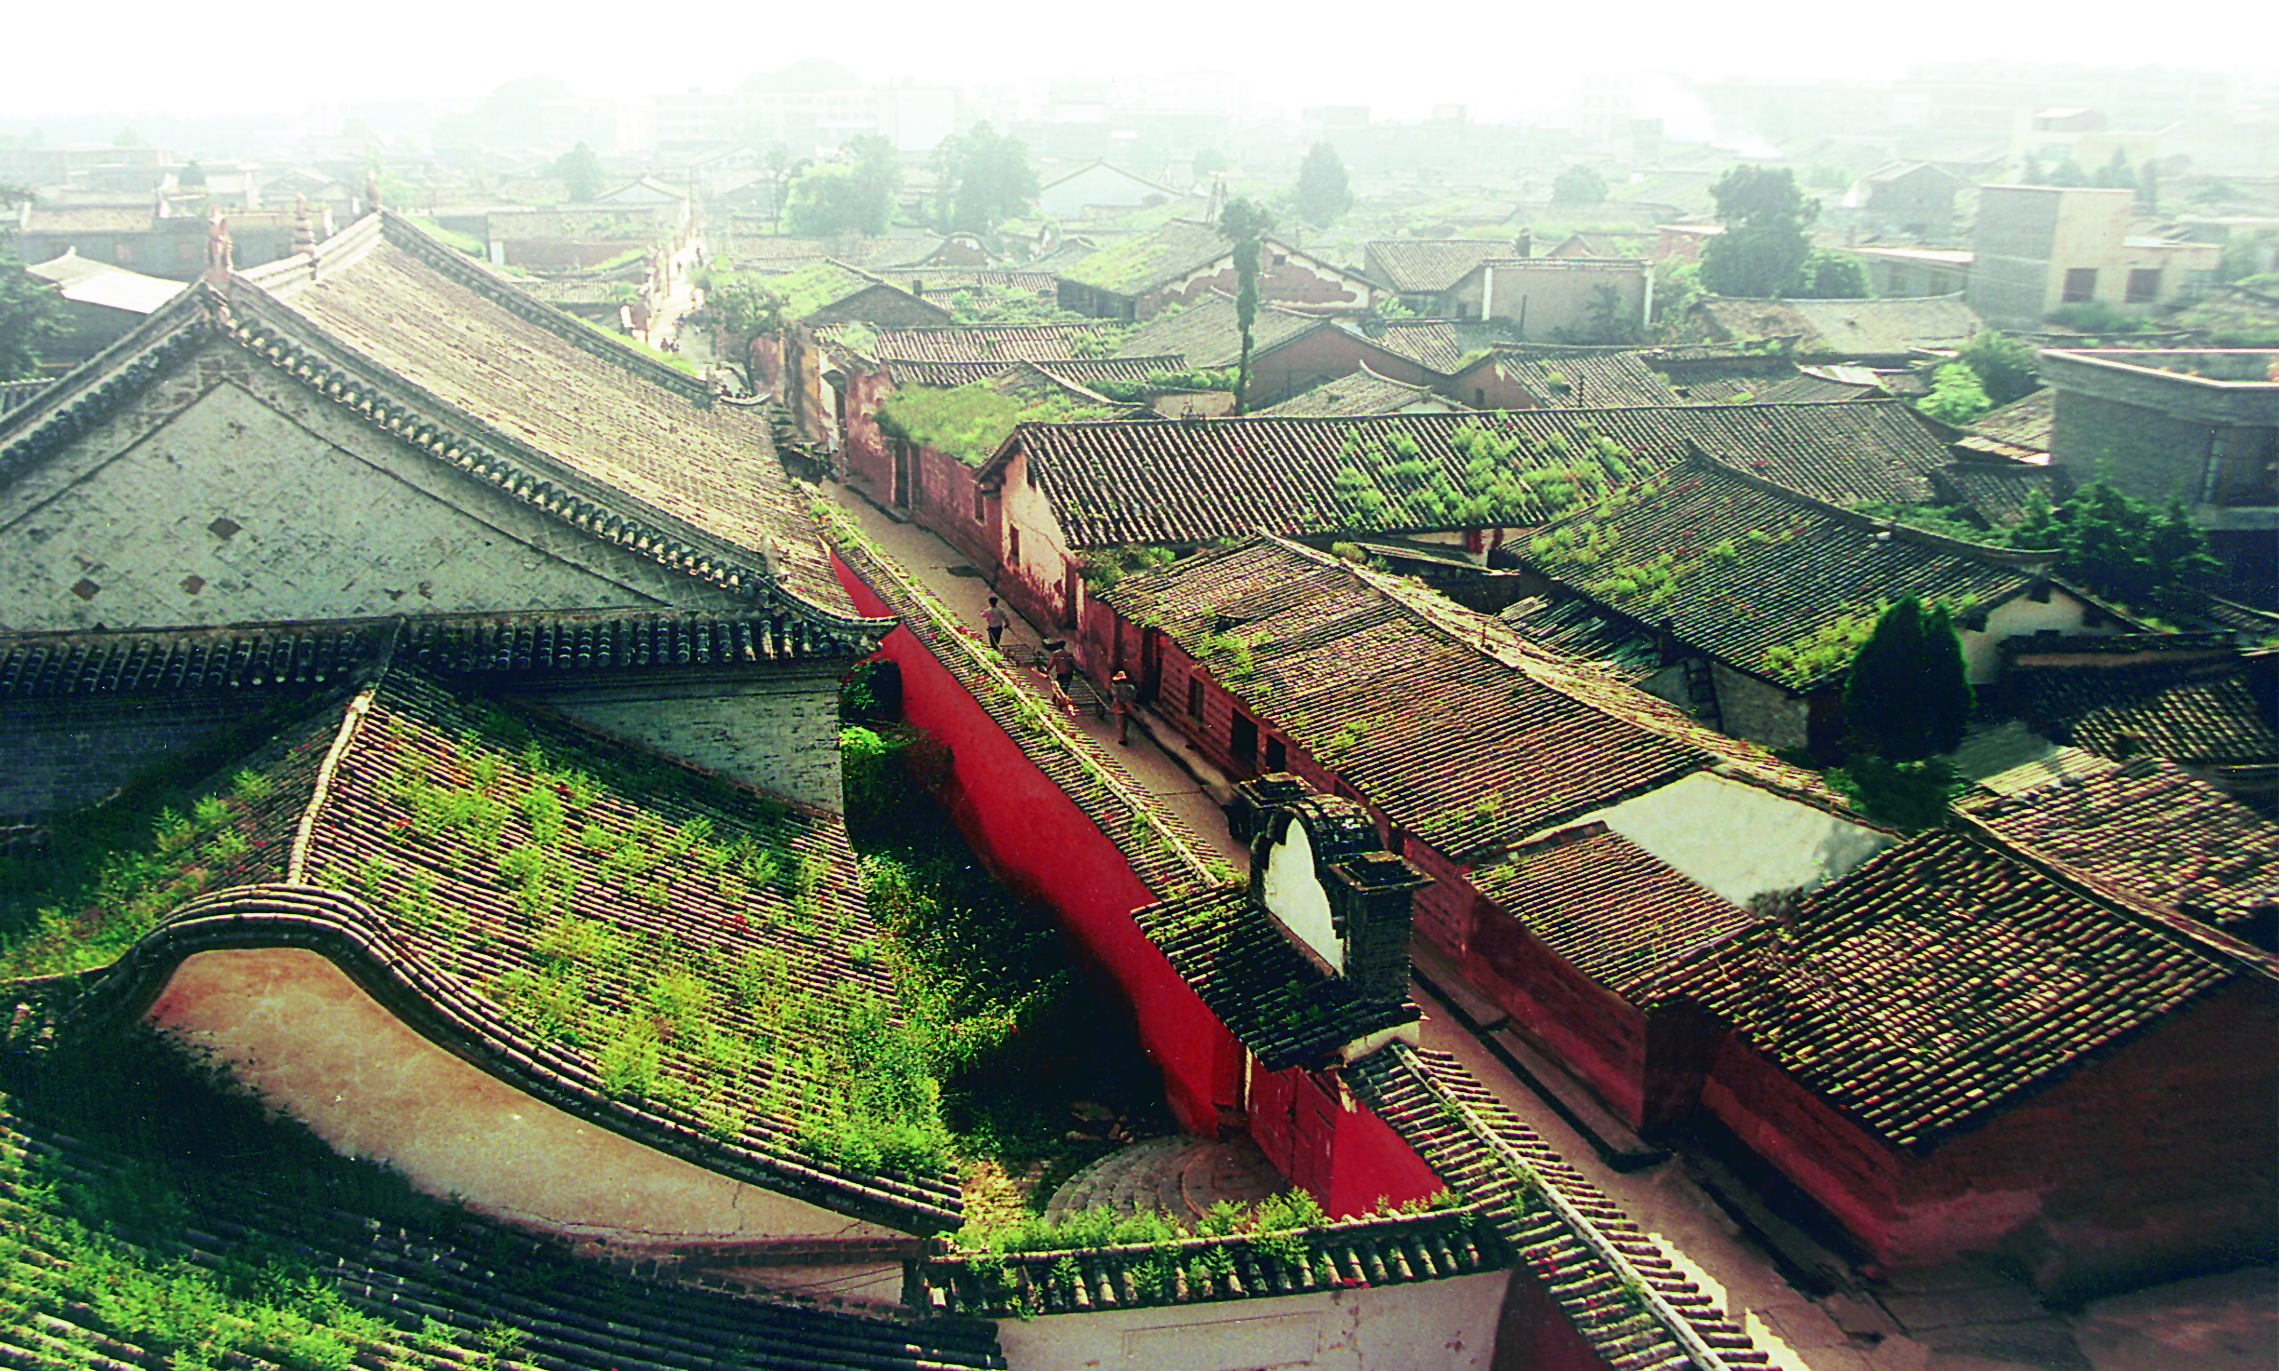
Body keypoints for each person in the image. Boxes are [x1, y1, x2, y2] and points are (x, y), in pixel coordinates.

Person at [1110, 670, 1137, 745]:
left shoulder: (1116, 687)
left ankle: (1122, 738)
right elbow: (1133, 695)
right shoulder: (1130, 687)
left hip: (1119, 705)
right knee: (1125, 721)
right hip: (1127, 705)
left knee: (1120, 721)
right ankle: (1124, 735)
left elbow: (1115, 696)